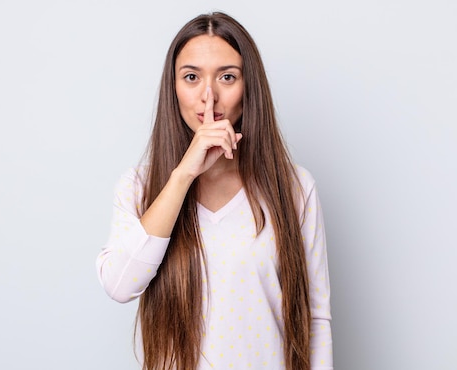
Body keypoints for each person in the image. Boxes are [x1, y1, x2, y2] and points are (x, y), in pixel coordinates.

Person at [96, 12, 332, 370]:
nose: (210, 96)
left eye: (227, 77)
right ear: (173, 88)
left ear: (248, 86)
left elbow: (315, 318)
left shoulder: (294, 188)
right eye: (191, 77)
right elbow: (119, 285)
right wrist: (183, 176)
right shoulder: (140, 187)